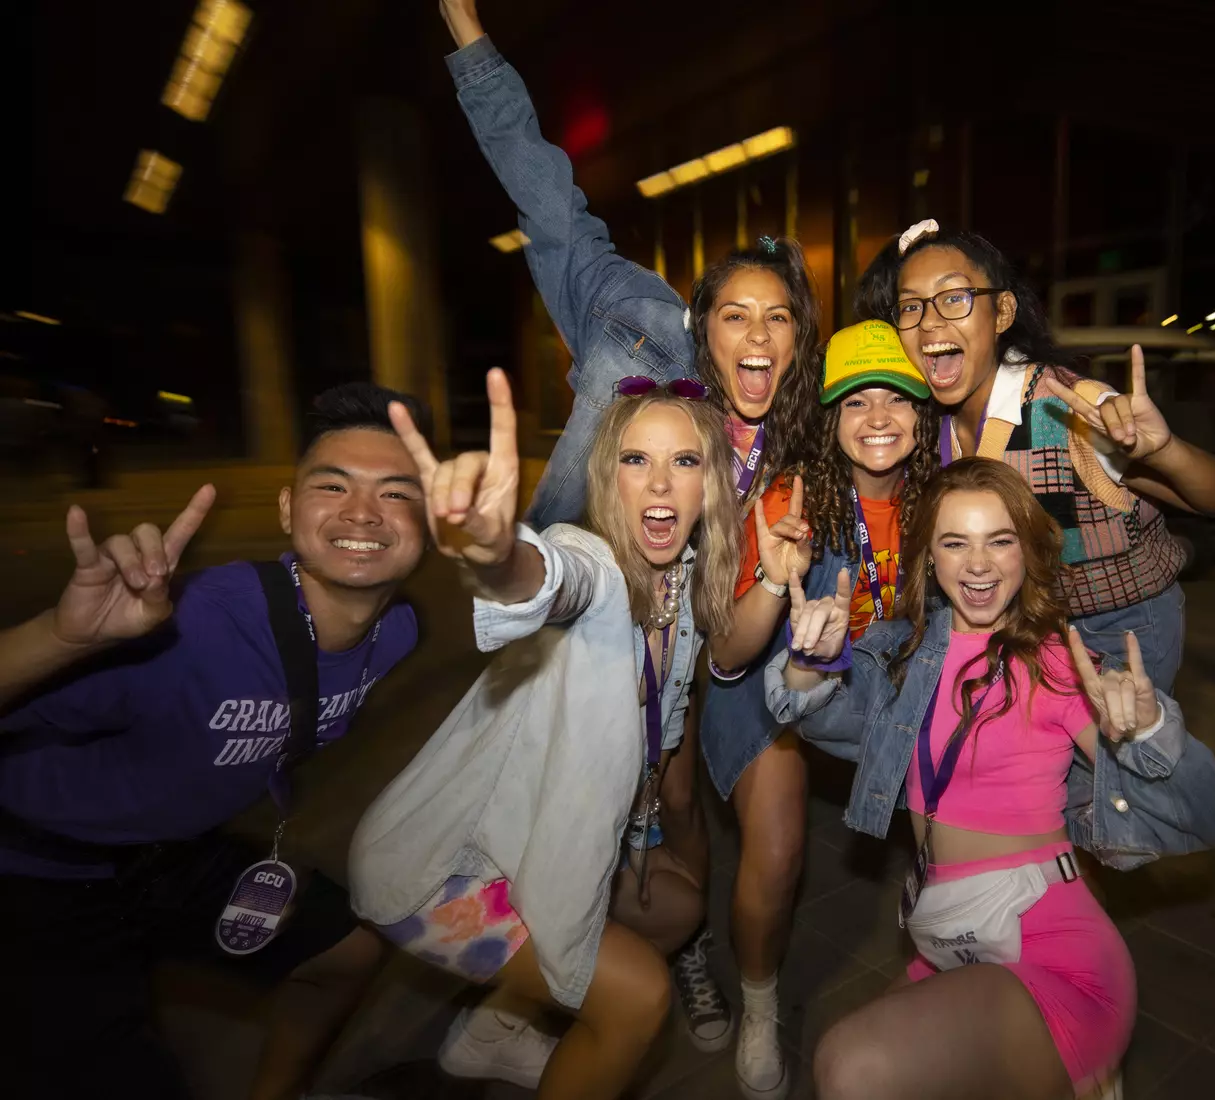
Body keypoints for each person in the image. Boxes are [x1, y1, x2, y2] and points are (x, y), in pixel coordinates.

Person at [434, 1, 828, 1067]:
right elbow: (551, 203)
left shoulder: (816, 436)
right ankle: (544, 979)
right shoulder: (638, 328)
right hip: (589, 620)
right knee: (592, 808)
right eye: (736, 313)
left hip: (720, 643)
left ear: (800, 340)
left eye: (781, 316)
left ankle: (716, 969)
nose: (757, 334)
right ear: (702, 323)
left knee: (707, 810)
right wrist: (473, 46)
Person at [0, 382, 430, 1100]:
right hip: (35, 870)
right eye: (334, 486)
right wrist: (60, 637)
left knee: (347, 953)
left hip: (167, 857)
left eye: (396, 493)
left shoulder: (401, 632)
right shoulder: (187, 626)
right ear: (289, 508)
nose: (362, 512)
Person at [767, 458, 1215, 1100]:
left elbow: (1201, 816)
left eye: (1000, 540)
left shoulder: (1059, 665)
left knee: (851, 1067)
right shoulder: (902, 654)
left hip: (1048, 954)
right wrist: (808, 668)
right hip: (942, 941)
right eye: (956, 542)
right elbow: (831, 722)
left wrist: (1151, 731)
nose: (978, 564)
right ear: (928, 556)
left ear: (1029, 551)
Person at [349, 372, 744, 1100]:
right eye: (635, 459)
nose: (660, 480)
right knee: (640, 998)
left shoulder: (682, 589)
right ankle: (541, 1029)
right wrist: (496, 551)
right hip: (443, 870)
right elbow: (547, 576)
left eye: (684, 461)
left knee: (680, 909)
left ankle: (493, 1035)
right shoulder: (591, 564)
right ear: (607, 478)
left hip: (537, 851)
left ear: (711, 486)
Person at [857, 220, 1215, 850]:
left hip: (1118, 624)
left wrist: (1166, 449)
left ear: (1002, 310)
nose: (930, 323)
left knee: (1102, 808)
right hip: (1027, 623)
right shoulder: (930, 420)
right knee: (1020, 793)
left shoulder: (1068, 406)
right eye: (910, 307)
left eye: (954, 298)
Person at [700, 319, 936, 1097]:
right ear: (830, 420)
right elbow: (730, 657)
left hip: (870, 684)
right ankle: (762, 1003)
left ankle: (950, 940)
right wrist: (774, 579)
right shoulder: (790, 499)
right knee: (776, 849)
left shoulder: (940, 500)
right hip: (771, 678)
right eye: (856, 402)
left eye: (895, 400)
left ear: (920, 416)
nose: (877, 419)